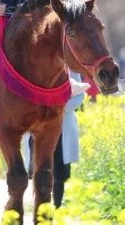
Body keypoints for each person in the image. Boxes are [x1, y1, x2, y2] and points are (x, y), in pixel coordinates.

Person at [23, 71, 85, 208]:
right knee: (39, 168)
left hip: (62, 125)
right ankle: (40, 208)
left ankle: (57, 207)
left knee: (59, 171)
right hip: (38, 124)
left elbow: (79, 95)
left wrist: (58, 107)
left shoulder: (70, 67)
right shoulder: (32, 63)